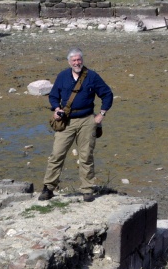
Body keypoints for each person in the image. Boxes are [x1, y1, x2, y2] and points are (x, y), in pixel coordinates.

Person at [39, 47, 113, 202]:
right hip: (66, 121)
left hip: (87, 120)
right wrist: (56, 108)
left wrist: (101, 114)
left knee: (86, 156)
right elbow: (53, 96)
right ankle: (48, 188)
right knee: (57, 154)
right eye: (74, 60)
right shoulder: (63, 76)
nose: (77, 63)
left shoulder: (92, 76)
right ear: (69, 62)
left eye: (79, 60)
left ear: (82, 60)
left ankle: (87, 190)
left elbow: (107, 94)